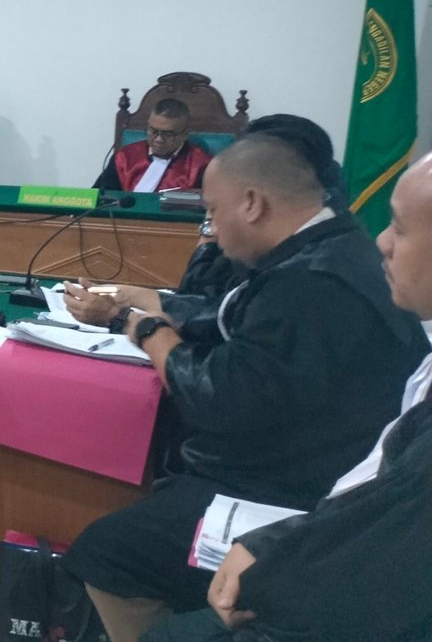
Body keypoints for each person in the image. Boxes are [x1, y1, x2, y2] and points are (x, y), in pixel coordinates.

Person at [64, 134, 426, 642]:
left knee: (106, 551)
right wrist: (157, 309)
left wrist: (147, 330)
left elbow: (219, 403)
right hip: (314, 473)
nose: (210, 229)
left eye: (212, 212)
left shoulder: (312, 282)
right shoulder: (332, 247)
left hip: (292, 493)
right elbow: (236, 322)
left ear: (252, 204)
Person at [65, 114, 349, 331]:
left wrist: (122, 318)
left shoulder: (306, 271)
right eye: (153, 131)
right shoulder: (128, 156)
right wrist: (126, 294)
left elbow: (215, 323)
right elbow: (203, 299)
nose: (158, 139)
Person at [95, 98, 213, 193]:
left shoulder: (203, 165)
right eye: (153, 131)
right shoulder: (124, 157)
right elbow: (98, 197)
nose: (158, 139)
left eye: (168, 134)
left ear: (185, 134)